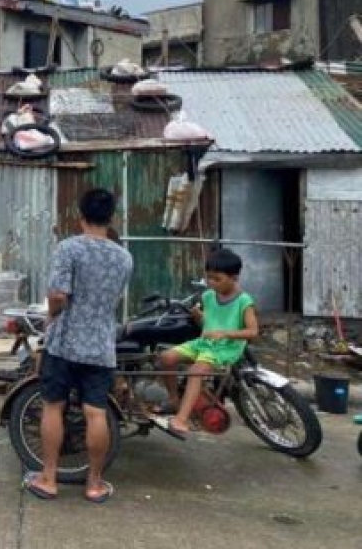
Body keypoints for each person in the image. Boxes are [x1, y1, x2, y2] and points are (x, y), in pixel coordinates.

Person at [22, 188, 133, 504]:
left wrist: (50, 318)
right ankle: (95, 484)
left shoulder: (69, 249)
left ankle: (48, 479)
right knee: (96, 412)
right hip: (101, 345)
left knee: (54, 406)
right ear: (112, 218)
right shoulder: (124, 257)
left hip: (66, 343)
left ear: (80, 216)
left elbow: (58, 296)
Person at [155, 247, 258, 439]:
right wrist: (199, 316)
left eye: (217, 279)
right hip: (205, 344)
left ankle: (181, 419)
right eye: (209, 277)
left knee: (196, 371)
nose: (211, 283)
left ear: (234, 278)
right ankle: (174, 399)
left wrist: (225, 333)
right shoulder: (209, 296)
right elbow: (209, 323)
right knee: (166, 358)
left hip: (227, 348)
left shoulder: (244, 301)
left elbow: (253, 332)